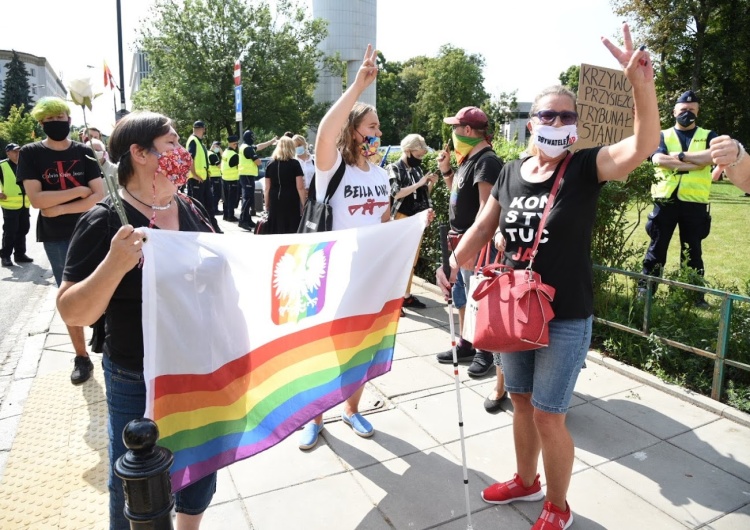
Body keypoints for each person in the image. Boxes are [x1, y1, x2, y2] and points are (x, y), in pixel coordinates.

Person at [435, 24, 659, 530]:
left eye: (566, 115)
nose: (557, 120)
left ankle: (557, 505)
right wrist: (452, 265)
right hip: (513, 308)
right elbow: (481, 226)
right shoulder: (512, 172)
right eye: (547, 114)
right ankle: (524, 478)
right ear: (532, 122)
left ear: (575, 126)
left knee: (547, 413)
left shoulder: (585, 167)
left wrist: (640, 84)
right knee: (518, 400)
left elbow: (643, 144)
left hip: (564, 315)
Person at [56, 111, 218, 530]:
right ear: (139, 153)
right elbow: (73, 310)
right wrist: (114, 264)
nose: (182, 152)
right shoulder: (106, 220)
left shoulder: (192, 206)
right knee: (137, 485)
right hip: (136, 375)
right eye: (171, 143)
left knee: (200, 466)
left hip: (198, 366)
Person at [298, 44, 392, 450]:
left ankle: (352, 410)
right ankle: (313, 418)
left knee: (362, 348)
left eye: (378, 128)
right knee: (323, 350)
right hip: (331, 273)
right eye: (372, 127)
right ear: (354, 130)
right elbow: (324, 131)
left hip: (370, 277)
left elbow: (385, 224)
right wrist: (357, 87)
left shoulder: (383, 175)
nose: (377, 134)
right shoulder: (332, 167)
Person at [16, 96, 104, 385]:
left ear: (69, 119)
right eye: (50, 120)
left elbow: (98, 196)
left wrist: (62, 206)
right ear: (42, 123)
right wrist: (79, 190)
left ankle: (105, 339)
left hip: (92, 230)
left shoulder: (84, 152)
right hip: (56, 238)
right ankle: (81, 356)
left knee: (104, 286)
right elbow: (37, 199)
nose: (56, 124)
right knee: (68, 294)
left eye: (60, 118)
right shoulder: (30, 153)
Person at [434, 106, 504, 382]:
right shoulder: (468, 159)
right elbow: (458, 191)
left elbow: (486, 210)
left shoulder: (487, 161)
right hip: (459, 242)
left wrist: (472, 249)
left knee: (478, 300)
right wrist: (446, 170)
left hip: (471, 245)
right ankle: (467, 342)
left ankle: (484, 351)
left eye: (455, 128)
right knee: (462, 297)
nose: (452, 133)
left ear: (467, 131)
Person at [640, 90, 717, 307]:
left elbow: (711, 156)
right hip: (665, 201)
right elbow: (659, 159)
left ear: (698, 112)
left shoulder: (709, 135)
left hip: (695, 202)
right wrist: (695, 163)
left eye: (692, 110)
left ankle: (694, 297)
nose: (687, 113)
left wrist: (681, 156)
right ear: (674, 111)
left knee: (693, 251)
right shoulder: (662, 135)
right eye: (683, 109)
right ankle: (646, 291)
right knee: (657, 248)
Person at [387, 133, 437, 313]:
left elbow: (422, 194)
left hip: (416, 218)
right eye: (418, 155)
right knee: (398, 259)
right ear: (408, 151)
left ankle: (405, 296)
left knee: (412, 260)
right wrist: (420, 183)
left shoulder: (416, 170)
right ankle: (393, 299)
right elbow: (397, 193)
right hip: (401, 218)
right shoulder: (394, 168)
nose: (420, 159)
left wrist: (429, 184)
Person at [263, 136, 305, 234]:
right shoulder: (295, 164)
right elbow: (300, 187)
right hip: (291, 199)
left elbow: (267, 188)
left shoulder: (270, 164)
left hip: (275, 199)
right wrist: (304, 204)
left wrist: (267, 204)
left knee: (276, 228)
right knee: (291, 228)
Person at [185, 120, 221, 233]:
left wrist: (207, 172)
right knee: (197, 206)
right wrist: (194, 174)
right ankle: (198, 229)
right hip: (196, 180)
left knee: (208, 204)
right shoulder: (193, 141)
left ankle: (213, 228)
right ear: (203, 129)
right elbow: (189, 158)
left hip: (203, 179)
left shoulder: (199, 142)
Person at [0, 143, 33, 267]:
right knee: (10, 231)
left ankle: (20, 254)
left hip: (25, 203)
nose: (18, 154)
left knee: (23, 229)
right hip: (9, 204)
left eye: (19, 151)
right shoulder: (2, 165)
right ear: (8, 153)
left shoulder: (25, 164)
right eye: (15, 152)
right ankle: (5, 256)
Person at [238, 130, 277, 230]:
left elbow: (259, 146)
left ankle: (247, 219)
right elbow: (258, 162)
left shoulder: (246, 146)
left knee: (249, 198)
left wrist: (271, 141)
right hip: (246, 175)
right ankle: (243, 220)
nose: (254, 140)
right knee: (248, 199)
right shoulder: (248, 149)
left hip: (247, 175)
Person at [221, 135, 241, 221]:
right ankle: (230, 216)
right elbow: (238, 166)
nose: (236, 145)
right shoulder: (234, 155)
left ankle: (225, 215)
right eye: (235, 144)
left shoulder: (225, 152)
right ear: (232, 144)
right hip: (232, 179)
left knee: (225, 199)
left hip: (224, 178)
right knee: (231, 199)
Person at [293, 134, 315, 200]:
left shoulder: (314, 161)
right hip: (298, 196)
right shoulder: (293, 162)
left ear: (305, 144)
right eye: (295, 146)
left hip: (314, 196)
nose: (297, 148)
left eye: (299, 145)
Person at [208, 140, 223, 214]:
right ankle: (215, 209)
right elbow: (220, 166)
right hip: (215, 176)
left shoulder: (208, 153)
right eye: (217, 146)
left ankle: (214, 209)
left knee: (213, 193)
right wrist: (221, 153)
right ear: (213, 146)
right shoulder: (213, 155)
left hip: (211, 176)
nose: (218, 148)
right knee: (216, 194)